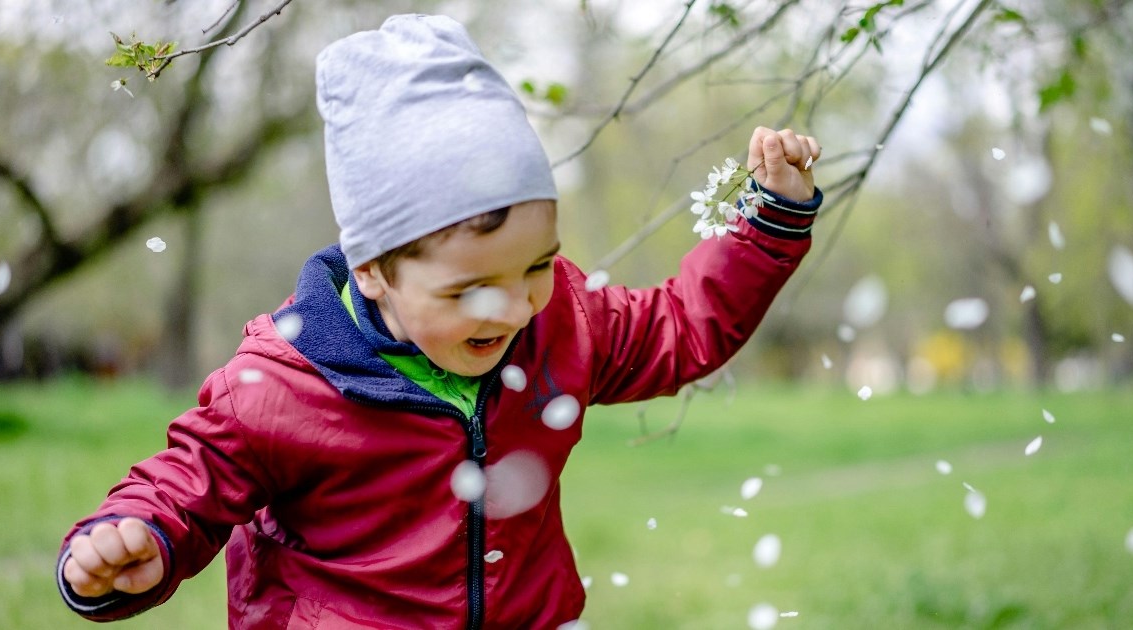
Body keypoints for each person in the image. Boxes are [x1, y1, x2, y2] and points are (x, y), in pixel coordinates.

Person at [57, 13, 823, 629]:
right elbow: (187, 483)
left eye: (535, 266)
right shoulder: (280, 386)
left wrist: (769, 223)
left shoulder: (564, 321)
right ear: (372, 270)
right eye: (471, 289)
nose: (519, 304)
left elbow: (681, 329)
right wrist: (137, 539)